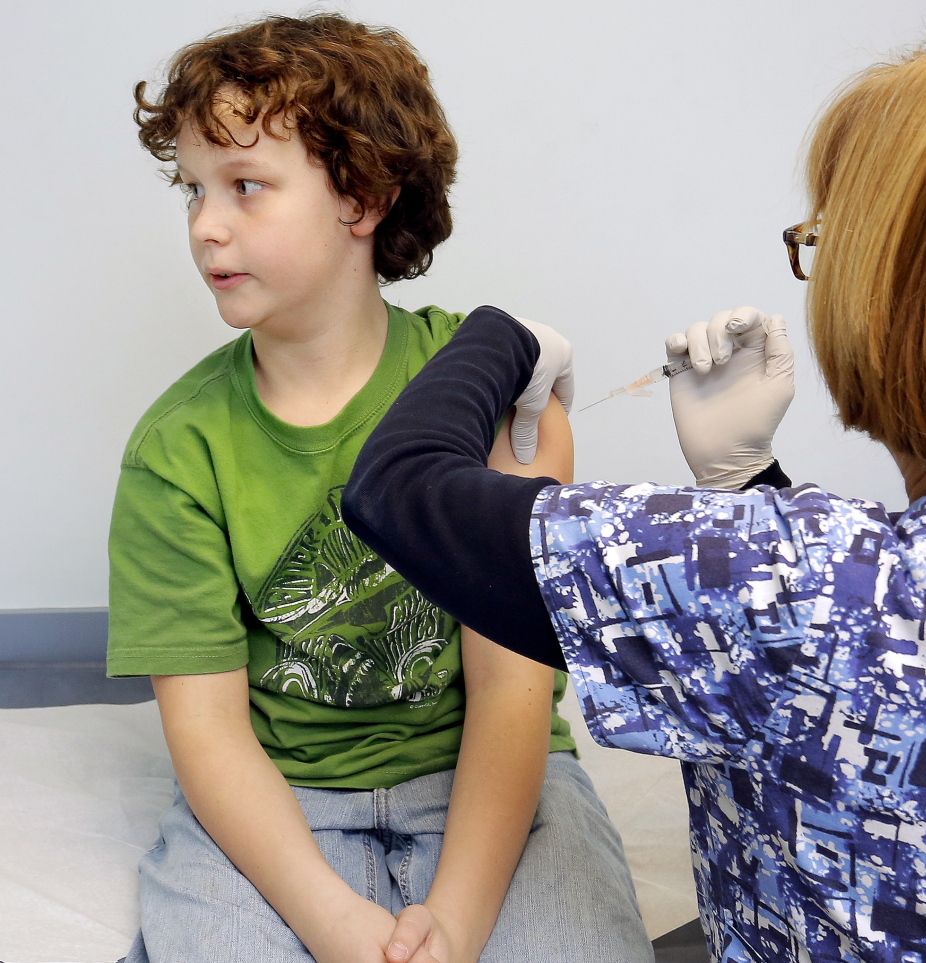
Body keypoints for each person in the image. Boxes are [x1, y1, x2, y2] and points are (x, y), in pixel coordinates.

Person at [343, 33, 926, 963]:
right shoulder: (836, 590)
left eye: (825, 240)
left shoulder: (824, 592)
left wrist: (498, 336)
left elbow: (398, 492)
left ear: (902, 289)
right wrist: (747, 483)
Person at [106, 13, 652, 963]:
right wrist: (334, 922)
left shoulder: (499, 407)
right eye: (194, 189)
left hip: (492, 789)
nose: (205, 224)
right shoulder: (175, 450)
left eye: (245, 186)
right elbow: (210, 737)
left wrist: (458, 925)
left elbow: (513, 691)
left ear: (362, 199)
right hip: (281, 803)